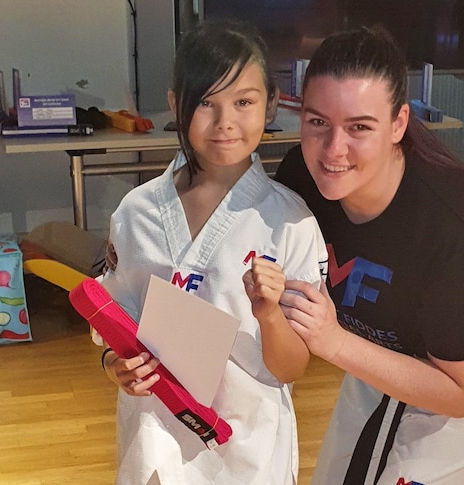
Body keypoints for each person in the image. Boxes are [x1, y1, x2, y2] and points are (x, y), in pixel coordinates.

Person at [274, 26, 464, 485]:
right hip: (389, 338)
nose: (333, 150)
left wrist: (334, 341)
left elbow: (461, 393)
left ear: (399, 124)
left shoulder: (454, 223)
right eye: (317, 122)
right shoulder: (299, 179)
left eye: (359, 127)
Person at [96, 20, 328, 485]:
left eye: (244, 102)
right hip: (153, 438)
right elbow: (111, 324)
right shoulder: (136, 213)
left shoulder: (291, 223)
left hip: (245, 448)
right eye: (205, 102)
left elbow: (292, 367)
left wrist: (270, 315)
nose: (225, 122)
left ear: (272, 104)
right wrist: (113, 366)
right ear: (175, 105)